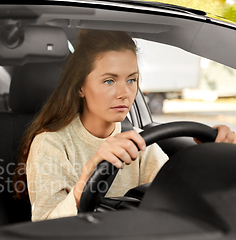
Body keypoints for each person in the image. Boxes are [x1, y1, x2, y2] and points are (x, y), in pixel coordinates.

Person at [14, 29, 236, 222]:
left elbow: (176, 199)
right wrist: (85, 180)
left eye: (131, 80)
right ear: (81, 87)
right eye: (109, 80)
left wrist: (211, 158)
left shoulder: (141, 142)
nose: (125, 94)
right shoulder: (51, 144)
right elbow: (45, 228)